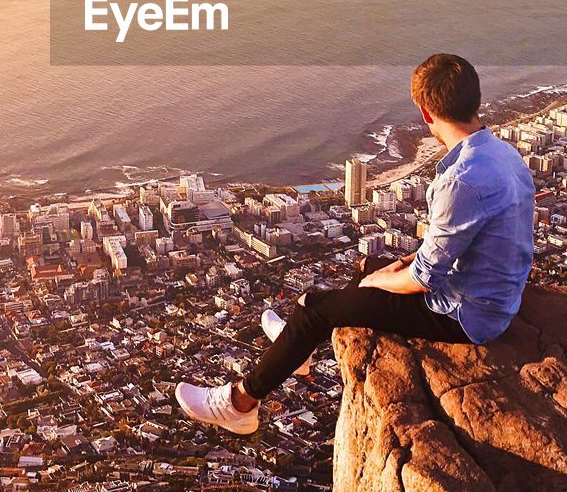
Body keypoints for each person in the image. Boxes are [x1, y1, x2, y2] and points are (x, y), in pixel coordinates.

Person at [175, 52, 536, 434]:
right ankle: (299, 347)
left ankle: (240, 403)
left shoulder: (460, 179)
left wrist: (381, 282)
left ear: (426, 114)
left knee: (315, 308)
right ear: (475, 100)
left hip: (466, 315)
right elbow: (462, 240)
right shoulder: (502, 155)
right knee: (370, 267)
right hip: (493, 295)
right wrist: (389, 271)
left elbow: (426, 277)